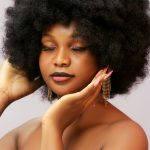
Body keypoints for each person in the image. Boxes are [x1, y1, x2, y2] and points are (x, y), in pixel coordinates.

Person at [0, 0, 150, 149]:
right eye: (48, 47)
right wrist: (3, 94)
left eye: (78, 48)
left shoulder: (126, 135)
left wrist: (53, 127)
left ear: (109, 53)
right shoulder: (23, 135)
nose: (60, 60)